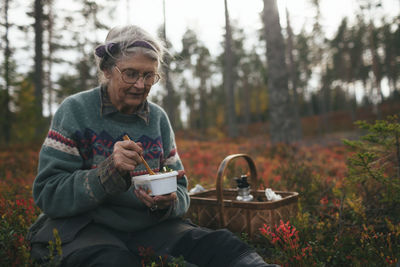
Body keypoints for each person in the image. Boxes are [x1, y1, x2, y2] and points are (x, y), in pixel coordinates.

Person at [27, 25, 277, 267]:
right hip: (85, 228)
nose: (140, 84)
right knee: (112, 262)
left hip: (148, 228)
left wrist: (168, 202)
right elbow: (48, 193)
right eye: (130, 73)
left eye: (149, 75)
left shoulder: (157, 119)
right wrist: (107, 173)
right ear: (106, 70)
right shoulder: (75, 111)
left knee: (221, 245)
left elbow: (179, 187)